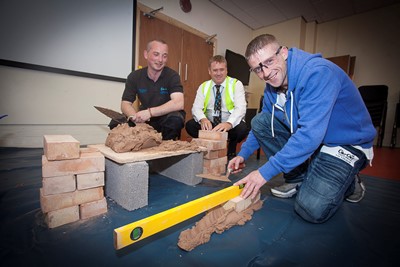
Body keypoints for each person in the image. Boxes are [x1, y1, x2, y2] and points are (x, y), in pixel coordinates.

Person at [229, 34, 376, 223]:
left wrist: (263, 174)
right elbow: (264, 122)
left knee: (311, 208)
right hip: (317, 142)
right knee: (260, 121)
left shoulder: (318, 73)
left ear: (283, 53)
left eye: (269, 61)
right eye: (258, 68)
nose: (266, 73)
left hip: (345, 143)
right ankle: (299, 178)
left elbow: (309, 135)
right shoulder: (272, 86)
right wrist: (243, 154)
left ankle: (349, 182)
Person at [112, 39, 185, 140]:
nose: (160, 60)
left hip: (166, 118)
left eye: (164, 56)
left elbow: (178, 103)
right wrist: (134, 117)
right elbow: (125, 103)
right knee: (115, 122)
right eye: (156, 54)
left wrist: (150, 112)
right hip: (145, 120)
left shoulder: (172, 76)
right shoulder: (134, 76)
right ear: (146, 54)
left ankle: (166, 149)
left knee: (175, 119)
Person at [185, 55, 248, 159]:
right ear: (209, 71)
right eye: (215, 70)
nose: (218, 73)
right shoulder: (203, 86)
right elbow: (196, 108)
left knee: (242, 129)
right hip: (210, 124)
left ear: (226, 70)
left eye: (221, 70)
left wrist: (228, 124)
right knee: (190, 125)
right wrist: (203, 119)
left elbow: (240, 108)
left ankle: (231, 147)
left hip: (228, 125)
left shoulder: (236, 84)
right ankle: (206, 146)